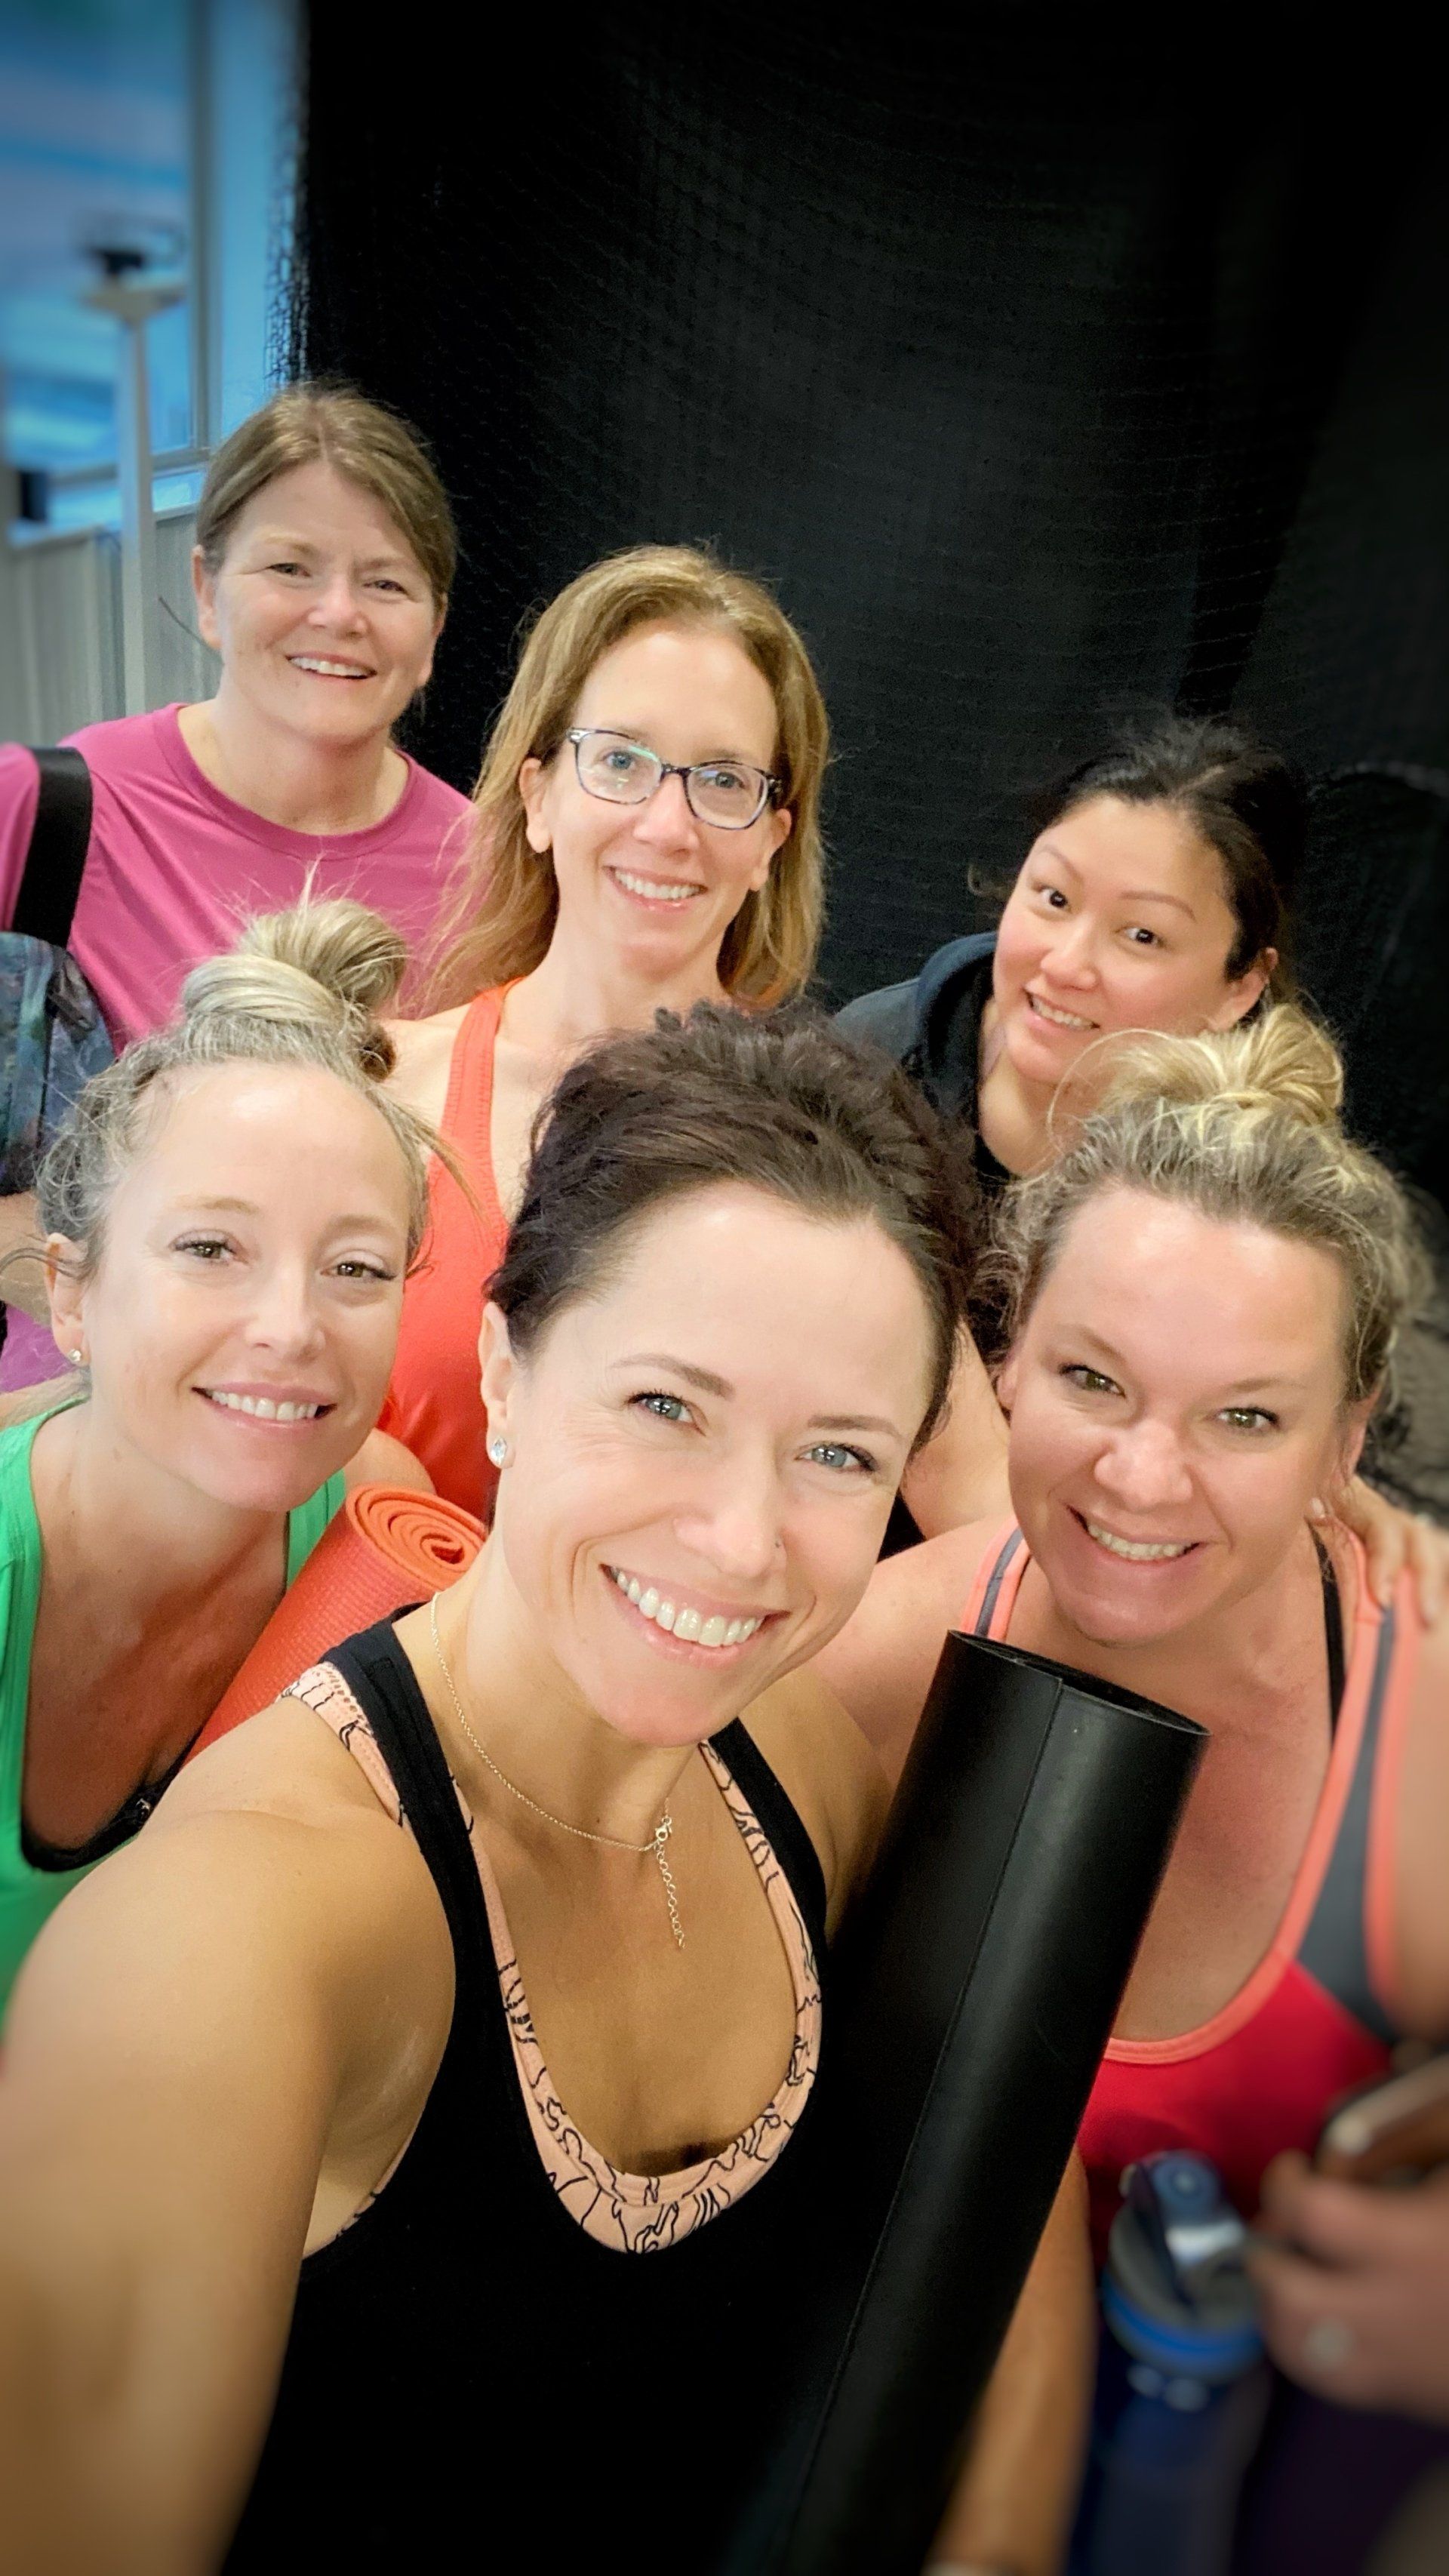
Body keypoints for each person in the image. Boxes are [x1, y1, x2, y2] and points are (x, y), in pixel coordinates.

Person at [0, 1007, 1088, 2576]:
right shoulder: (220, 1942)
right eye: (666, 1405)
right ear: (504, 1369)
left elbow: (995, 2158)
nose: (741, 1539)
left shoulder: (795, 1754)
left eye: (841, 1455)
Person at [817, 1006, 1448, 2261]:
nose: (1144, 1479)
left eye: (1246, 1418)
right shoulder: (869, 1663)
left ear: (1346, 1438)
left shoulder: (1420, 1711)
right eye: (1095, 1380)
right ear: (1008, 1358)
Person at [841, 716, 1448, 1599]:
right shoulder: (868, 1074)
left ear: (1241, 986)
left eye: (1143, 936)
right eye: (1053, 898)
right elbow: (970, 1493)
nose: (1066, 964)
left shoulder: (1252, 1171)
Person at [0, 897, 434, 2014]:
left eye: (355, 1267)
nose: (292, 1328)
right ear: (71, 1291)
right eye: (210, 1247)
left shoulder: (377, 1521)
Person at [377, 540, 856, 1514]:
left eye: (724, 780)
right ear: (539, 795)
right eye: (622, 762)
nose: (668, 826)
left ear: (772, 840)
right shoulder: (382, 1092)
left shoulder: (836, 1146)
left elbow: (983, 1506)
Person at [0, 381, 469, 1374]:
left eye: (386, 583)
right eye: (291, 567)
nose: (337, 612)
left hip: (344, 1429)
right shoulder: (41, 814)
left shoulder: (489, 881)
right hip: (60, 1432)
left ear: (435, 629)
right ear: (208, 589)